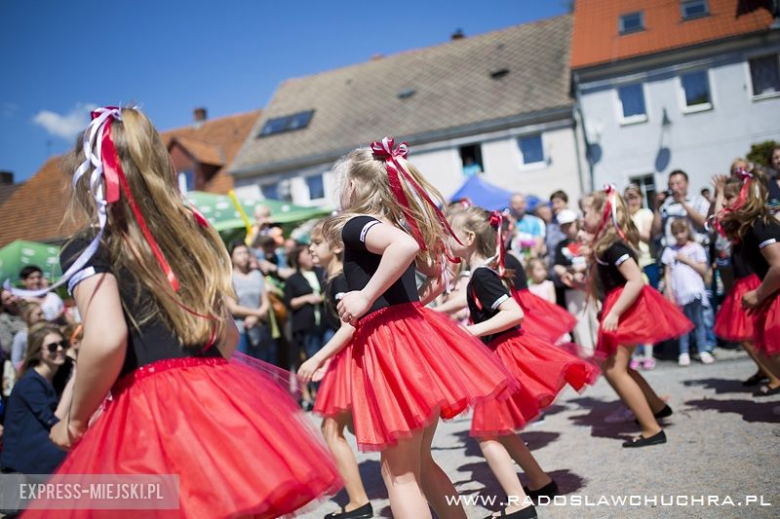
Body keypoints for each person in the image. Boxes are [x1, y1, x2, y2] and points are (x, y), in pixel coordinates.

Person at [23, 107, 340, 518]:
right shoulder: (192, 233)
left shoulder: (91, 244)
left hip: (149, 408)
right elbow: (224, 333)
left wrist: (75, 419)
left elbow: (104, 339)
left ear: (91, 175)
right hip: (216, 392)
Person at [298, 137, 516, 519]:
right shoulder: (391, 222)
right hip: (414, 340)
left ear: (353, 185)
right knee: (421, 465)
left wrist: (364, 296)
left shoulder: (356, 225)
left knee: (398, 475)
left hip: (392, 349)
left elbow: (403, 249)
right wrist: (400, 301)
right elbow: (433, 274)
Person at [449, 206, 599, 518]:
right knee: (500, 429)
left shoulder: (480, 275)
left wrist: (469, 332)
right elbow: (473, 302)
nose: (447, 241)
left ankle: (518, 502)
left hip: (504, 354)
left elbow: (513, 313)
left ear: (468, 238)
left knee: (487, 434)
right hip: (498, 353)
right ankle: (540, 482)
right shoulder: (482, 273)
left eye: (450, 234)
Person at [582, 186, 692, 447]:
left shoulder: (614, 246)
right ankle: (656, 408)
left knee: (614, 369)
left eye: (586, 211)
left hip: (629, 309)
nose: (583, 216)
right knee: (617, 367)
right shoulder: (604, 245)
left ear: (602, 213)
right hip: (619, 305)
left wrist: (616, 312)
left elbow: (635, 280)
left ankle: (651, 430)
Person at [309, 218, 373, 519]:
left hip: (349, 356)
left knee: (332, 428)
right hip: (346, 357)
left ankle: (359, 502)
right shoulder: (335, 278)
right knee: (345, 426)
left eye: (316, 243)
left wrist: (318, 358)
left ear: (336, 248)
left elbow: (350, 325)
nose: (310, 249)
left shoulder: (339, 280)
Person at [714, 177, 779, 394]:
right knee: (766, 349)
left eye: (730, 197)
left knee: (771, 349)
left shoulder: (761, 226)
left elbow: (778, 266)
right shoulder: (749, 228)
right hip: (770, 293)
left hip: (771, 292)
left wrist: (758, 295)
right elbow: (718, 221)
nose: (724, 203)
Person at [0, 324, 74, 474]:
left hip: (39, 462)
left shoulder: (57, 378)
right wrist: (74, 381)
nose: (60, 349)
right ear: (38, 351)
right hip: (21, 469)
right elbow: (54, 421)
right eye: (52, 346)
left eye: (63, 344)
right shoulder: (30, 383)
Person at [662, 220, 716, 366]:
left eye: (682, 232)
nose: (679, 236)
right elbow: (667, 274)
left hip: (695, 291)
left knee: (699, 321)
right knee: (683, 323)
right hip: (679, 293)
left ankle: (702, 350)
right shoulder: (670, 251)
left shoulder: (696, 248)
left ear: (687, 232)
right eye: (676, 233)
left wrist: (686, 260)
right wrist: (669, 292)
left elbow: (703, 269)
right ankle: (684, 352)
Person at [284, 242, 328, 410]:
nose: (310, 255)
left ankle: (327, 395)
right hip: (306, 327)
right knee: (314, 361)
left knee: (328, 360)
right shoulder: (293, 279)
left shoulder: (321, 272)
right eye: (306, 253)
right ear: (298, 258)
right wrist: (307, 299)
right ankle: (320, 398)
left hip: (324, 324)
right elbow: (289, 302)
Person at [553, 209, 597, 352]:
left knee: (596, 319)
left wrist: (581, 269)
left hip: (591, 286)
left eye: (569, 224)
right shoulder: (561, 245)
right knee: (579, 322)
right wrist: (569, 272)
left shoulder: (587, 240)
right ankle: (587, 354)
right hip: (572, 288)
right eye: (563, 225)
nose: (567, 228)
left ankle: (602, 351)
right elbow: (557, 266)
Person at [226, 242, 275, 363]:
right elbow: (233, 308)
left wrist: (256, 317)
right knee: (242, 366)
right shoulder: (229, 279)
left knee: (262, 366)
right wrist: (258, 314)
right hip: (240, 329)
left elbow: (265, 302)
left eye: (245, 252)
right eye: (239, 253)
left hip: (259, 326)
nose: (243, 256)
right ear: (232, 257)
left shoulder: (257, 275)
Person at [652, 169, 710, 248]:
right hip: (671, 252)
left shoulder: (699, 201)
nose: (675, 187)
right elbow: (656, 232)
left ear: (687, 183)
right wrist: (656, 207)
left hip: (696, 251)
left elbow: (704, 223)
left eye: (678, 183)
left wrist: (682, 202)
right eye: (671, 184)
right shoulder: (666, 205)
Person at [509, 193, 545, 259]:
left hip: (529, 262)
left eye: (522, 203)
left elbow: (536, 250)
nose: (519, 206)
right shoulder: (506, 223)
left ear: (526, 204)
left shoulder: (536, 222)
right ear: (510, 205)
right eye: (515, 203)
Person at [11, 301, 44, 368]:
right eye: (39, 314)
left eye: (43, 313)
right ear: (27, 316)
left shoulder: (46, 331)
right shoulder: (21, 337)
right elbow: (16, 362)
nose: (43, 317)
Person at [0, 288, 25, 355]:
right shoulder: (4, 320)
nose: (12, 300)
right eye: (7, 299)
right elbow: (8, 347)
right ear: (3, 304)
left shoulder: (28, 309)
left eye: (12, 295)